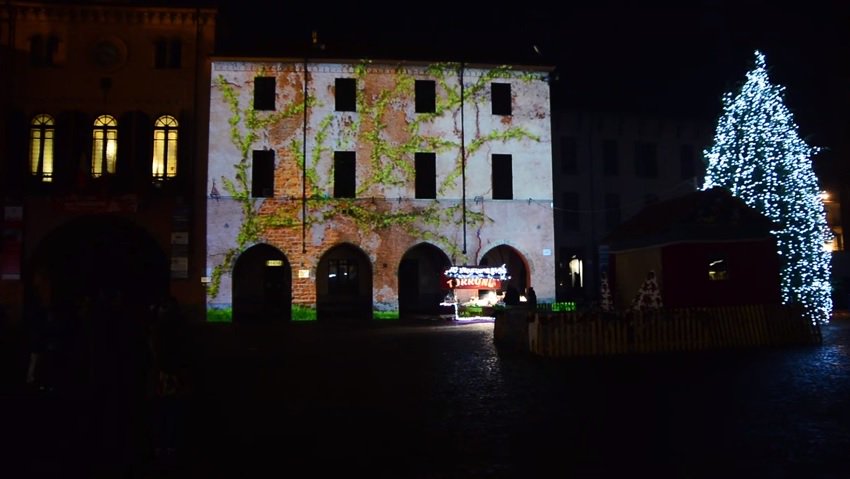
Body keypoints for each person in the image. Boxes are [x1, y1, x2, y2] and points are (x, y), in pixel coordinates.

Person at [148, 295, 190, 462]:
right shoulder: (179, 327)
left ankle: (161, 445)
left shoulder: (157, 328)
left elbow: (153, 352)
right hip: (173, 374)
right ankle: (170, 445)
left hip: (162, 375)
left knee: (161, 409)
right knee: (172, 409)